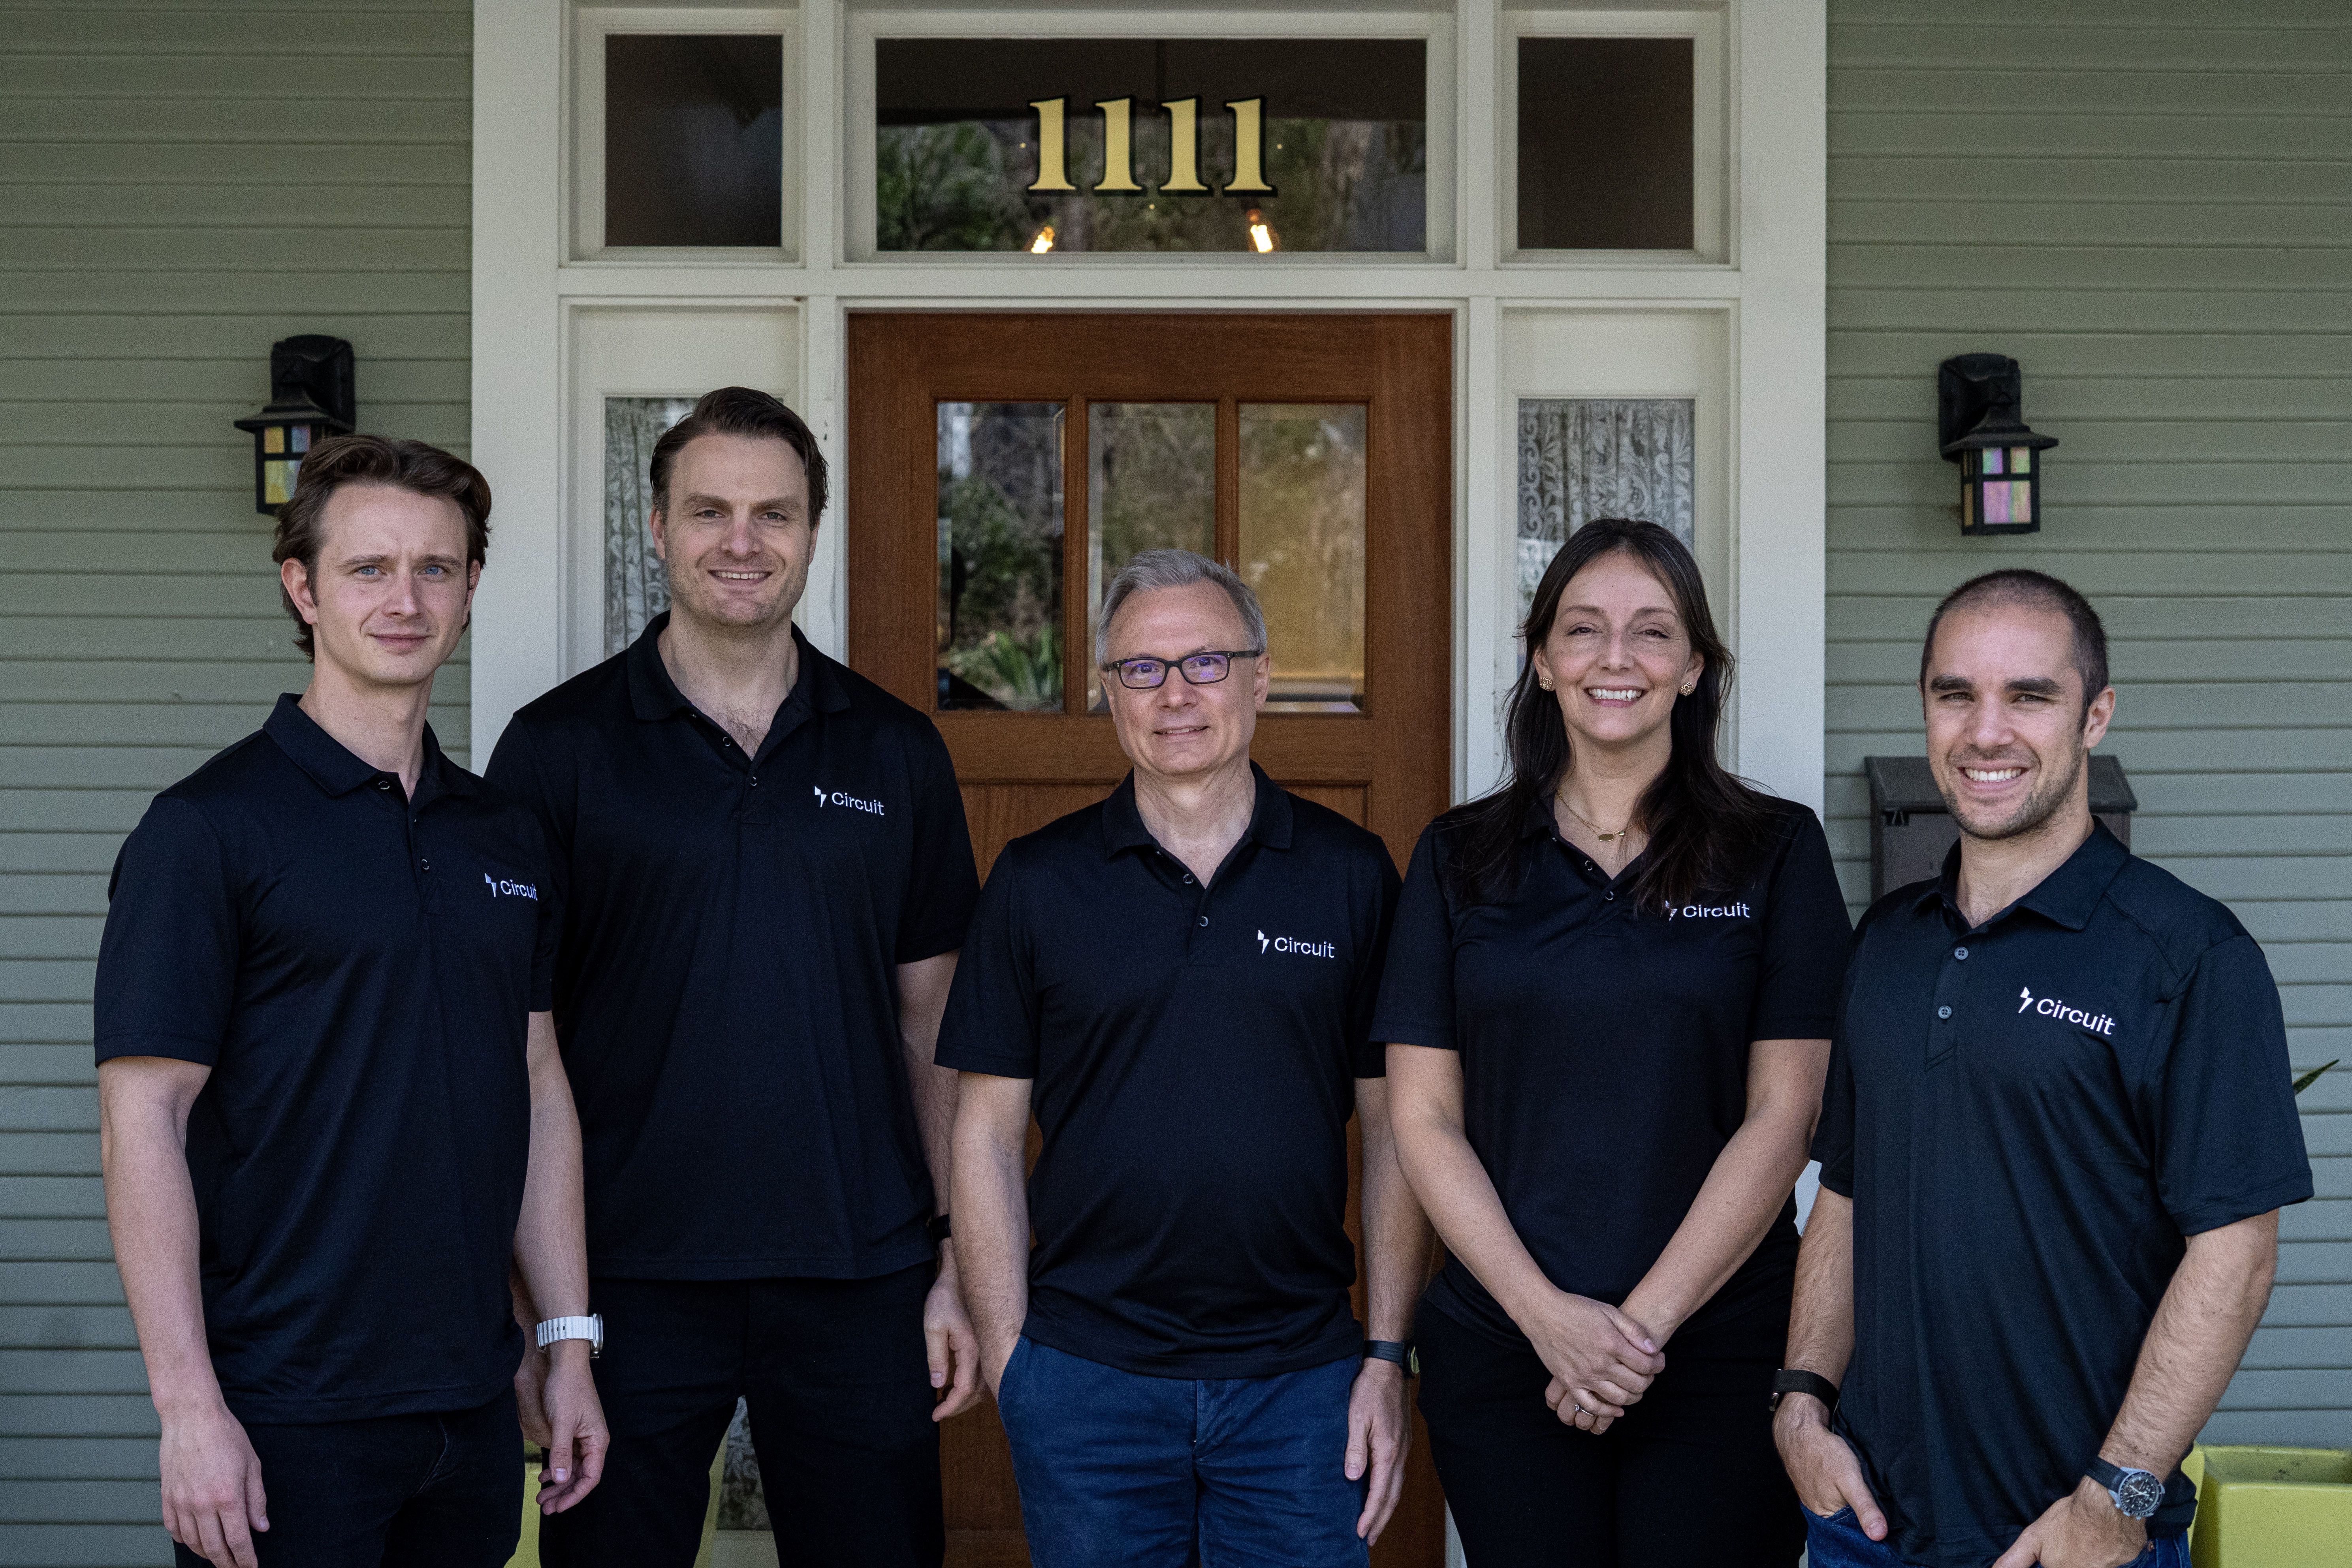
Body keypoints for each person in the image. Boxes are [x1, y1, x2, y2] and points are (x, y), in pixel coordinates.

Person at [486, 387, 982, 1568]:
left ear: (814, 531)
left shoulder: (895, 747)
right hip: (626, 1275)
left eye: (775, 513)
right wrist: (542, 1312)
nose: (742, 541)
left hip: (861, 1266)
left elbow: (936, 1028)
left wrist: (959, 1260)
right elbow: (516, 1046)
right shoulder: (557, 749)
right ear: (655, 526)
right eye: (709, 510)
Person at [96, 437, 605, 1568]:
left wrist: (566, 1343)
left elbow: (534, 1082)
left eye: (437, 567)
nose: (406, 598)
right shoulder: (208, 830)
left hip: (472, 1405)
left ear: (472, 588)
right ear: (302, 586)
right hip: (283, 1410)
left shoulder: (502, 836)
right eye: (369, 568)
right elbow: (145, 1120)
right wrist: (188, 1410)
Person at [1778, 569, 2312, 1568]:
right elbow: (1845, 1192)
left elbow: (2233, 1256)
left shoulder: (2187, 954)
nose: (1987, 731)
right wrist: (1802, 1400)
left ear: (2094, 715)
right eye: (1955, 694)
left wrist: (2117, 1496)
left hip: (2069, 1539)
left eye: (2029, 695)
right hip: (1869, 1527)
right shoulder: (1887, 944)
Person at [1376, 518, 1851, 1568]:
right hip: (1508, 1348)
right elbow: (1422, 1118)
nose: (1616, 659)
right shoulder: (1459, 857)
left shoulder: (1775, 852)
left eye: (1652, 631)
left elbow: (1788, 1113)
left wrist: (1633, 1331)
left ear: (1693, 667)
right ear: (1541, 659)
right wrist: (1548, 1318)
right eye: (1583, 630)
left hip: (1723, 1347)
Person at [941, 550, 1430, 1568]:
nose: (1175, 694)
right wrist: (1010, 1354)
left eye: (1207, 663)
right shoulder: (1038, 882)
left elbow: (1396, 1129)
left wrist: (1385, 1350)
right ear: (1107, 693)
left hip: (1301, 1382)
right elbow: (983, 1129)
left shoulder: (1350, 876)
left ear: (1260, 678)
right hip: (1087, 1377)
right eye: (1141, 668)